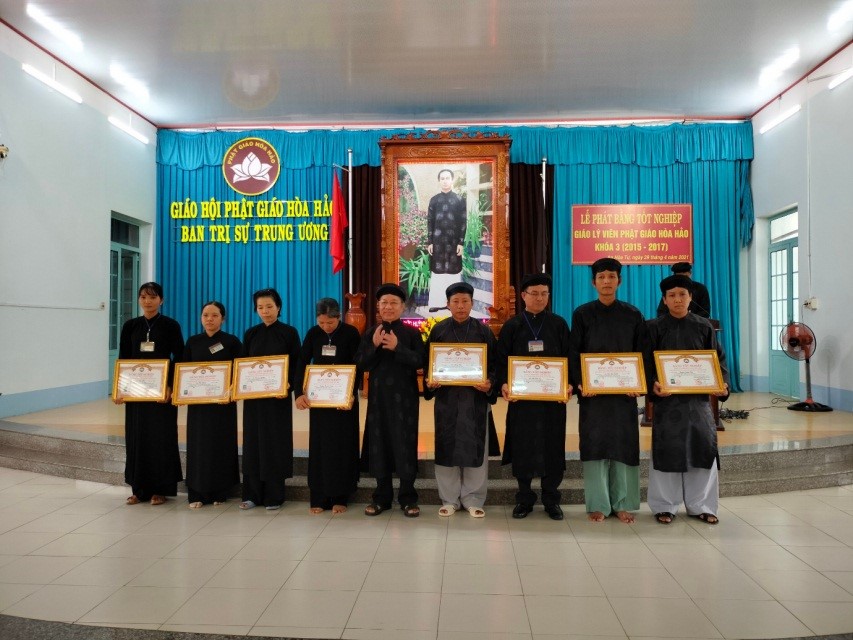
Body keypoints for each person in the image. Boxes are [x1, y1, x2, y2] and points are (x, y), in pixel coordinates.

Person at [569, 258, 650, 523]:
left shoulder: (633, 314)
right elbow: (574, 352)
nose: (606, 281)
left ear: (619, 281)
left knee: (624, 445)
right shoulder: (582, 314)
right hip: (593, 397)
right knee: (595, 446)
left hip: (623, 397)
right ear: (593, 282)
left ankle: (623, 503)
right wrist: (581, 382)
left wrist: (638, 384)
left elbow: (642, 354)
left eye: (611, 277)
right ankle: (598, 504)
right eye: (601, 277)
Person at [646, 275, 730, 525]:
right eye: (672, 295)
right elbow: (647, 363)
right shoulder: (654, 328)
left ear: (691, 297)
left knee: (702, 451)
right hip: (667, 404)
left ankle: (702, 505)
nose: (677, 299)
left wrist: (722, 383)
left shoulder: (704, 327)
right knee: (666, 453)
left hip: (698, 404)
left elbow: (719, 361)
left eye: (682, 294)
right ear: (664, 299)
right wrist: (653, 384)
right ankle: (665, 505)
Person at [496, 273, 572, 520]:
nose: (539, 298)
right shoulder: (512, 325)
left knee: (552, 447)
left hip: (552, 401)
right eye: (534, 293)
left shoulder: (559, 324)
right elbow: (501, 361)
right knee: (523, 447)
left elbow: (569, 359)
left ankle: (551, 499)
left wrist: (569, 385)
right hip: (522, 402)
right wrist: (504, 384)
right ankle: (524, 498)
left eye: (544, 293)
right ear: (523, 296)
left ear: (549, 296)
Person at [424, 282, 496, 518]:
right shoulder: (439, 331)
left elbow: (495, 365)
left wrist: (489, 383)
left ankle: (474, 498)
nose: (461, 306)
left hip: (475, 400)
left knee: (476, 448)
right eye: (455, 301)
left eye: (465, 301)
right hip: (446, 400)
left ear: (472, 303)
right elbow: (429, 364)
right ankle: (449, 498)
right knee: (446, 447)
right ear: (447, 304)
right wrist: (430, 381)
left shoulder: (483, 331)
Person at [356, 283, 425, 517]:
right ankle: (381, 498)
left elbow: (421, 361)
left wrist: (398, 348)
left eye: (393, 303)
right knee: (379, 445)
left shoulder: (412, 333)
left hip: (405, 401)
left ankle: (408, 498)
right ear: (378, 306)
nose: (388, 307)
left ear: (402, 307)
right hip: (378, 401)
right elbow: (360, 364)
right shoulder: (370, 332)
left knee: (405, 444)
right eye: (384, 302)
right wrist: (374, 346)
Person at [115, 282, 184, 506]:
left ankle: (160, 490)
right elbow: (123, 359)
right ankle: (138, 489)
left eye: (153, 297)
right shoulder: (130, 326)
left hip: (160, 395)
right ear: (139, 299)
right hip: (136, 393)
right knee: (137, 438)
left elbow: (179, 358)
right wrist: (119, 388)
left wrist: (171, 386)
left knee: (160, 439)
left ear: (161, 300)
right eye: (143, 297)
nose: (148, 301)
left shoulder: (171, 325)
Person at [294, 298, 361, 514]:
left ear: (338, 317)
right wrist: (299, 393)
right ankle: (319, 496)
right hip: (320, 400)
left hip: (344, 401)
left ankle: (341, 496)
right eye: (321, 323)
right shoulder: (313, 334)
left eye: (330, 323)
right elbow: (302, 362)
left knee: (342, 446)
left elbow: (357, 366)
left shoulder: (350, 333)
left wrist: (351, 394)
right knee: (321, 446)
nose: (325, 327)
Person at [240, 288, 301, 510]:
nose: (265, 311)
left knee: (274, 442)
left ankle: (275, 495)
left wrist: (290, 384)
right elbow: (243, 365)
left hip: (277, 399)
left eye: (269, 306)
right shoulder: (250, 334)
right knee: (253, 443)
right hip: (254, 400)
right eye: (260, 307)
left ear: (279, 307)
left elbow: (296, 364)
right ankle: (252, 495)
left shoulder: (289, 333)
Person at [182, 301, 241, 508]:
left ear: (223, 318)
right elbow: (182, 370)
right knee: (198, 445)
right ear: (200, 318)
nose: (209, 319)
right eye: (205, 315)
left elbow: (240, 370)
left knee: (221, 444)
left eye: (215, 315)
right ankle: (196, 493)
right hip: (198, 406)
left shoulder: (231, 342)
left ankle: (220, 491)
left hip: (222, 406)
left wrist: (234, 388)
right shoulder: (192, 342)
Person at [426, 169, 467, 309]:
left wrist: (461, 242)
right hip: (437, 242)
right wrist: (430, 241)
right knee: (437, 272)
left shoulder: (459, 200)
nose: (445, 180)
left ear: (452, 180)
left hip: (453, 242)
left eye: (447, 178)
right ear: (439, 181)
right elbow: (430, 221)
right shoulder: (434, 200)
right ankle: (436, 303)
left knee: (453, 272)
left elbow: (463, 221)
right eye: (442, 178)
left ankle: (453, 304)